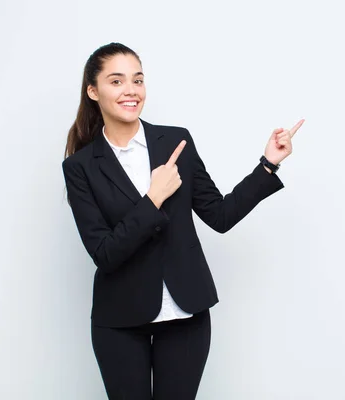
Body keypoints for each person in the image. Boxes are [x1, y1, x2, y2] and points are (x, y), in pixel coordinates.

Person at [62, 42, 304, 400]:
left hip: (186, 315)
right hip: (120, 322)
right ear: (93, 91)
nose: (131, 90)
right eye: (116, 81)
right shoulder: (80, 167)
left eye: (138, 80)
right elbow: (105, 253)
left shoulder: (176, 140)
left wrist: (267, 165)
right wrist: (153, 198)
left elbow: (220, 216)